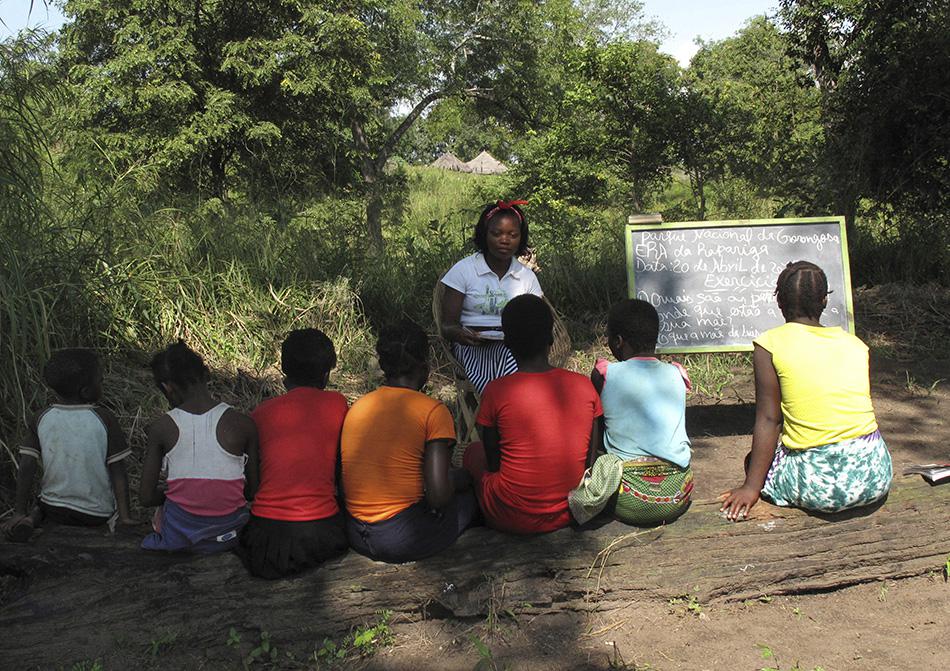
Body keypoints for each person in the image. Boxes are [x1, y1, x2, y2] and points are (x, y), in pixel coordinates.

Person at [721, 261, 892, 519]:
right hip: (875, 474)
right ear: (824, 301)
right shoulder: (856, 345)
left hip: (820, 487)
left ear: (780, 302)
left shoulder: (770, 345)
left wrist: (750, 487)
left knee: (752, 461)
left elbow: (770, 419)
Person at [464, 295, 603, 534]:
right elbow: (589, 461)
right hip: (571, 511)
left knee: (472, 453)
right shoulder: (583, 386)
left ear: (506, 343)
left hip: (510, 516)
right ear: (551, 338)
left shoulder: (496, 391)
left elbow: (494, 462)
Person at [340, 320, 477, 563]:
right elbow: (439, 495)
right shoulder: (432, 410)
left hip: (355, 532)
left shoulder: (359, 407)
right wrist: (463, 478)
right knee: (474, 499)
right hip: (400, 537)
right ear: (425, 367)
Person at [237, 329, 349, 578]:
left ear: (285, 371)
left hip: (265, 539)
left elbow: (251, 485)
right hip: (322, 533)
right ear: (325, 374)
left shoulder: (261, 413)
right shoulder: (337, 404)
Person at [2, 349, 134, 542]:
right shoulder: (105, 419)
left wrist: (18, 511)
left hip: (53, 509)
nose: (103, 383)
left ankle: (29, 519)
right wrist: (125, 517)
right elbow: (118, 471)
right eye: (100, 380)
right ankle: (33, 518)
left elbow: (27, 465)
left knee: (42, 503)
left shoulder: (41, 417)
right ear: (86, 391)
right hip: (95, 514)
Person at [140, 340, 259, 553]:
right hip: (230, 533)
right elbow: (253, 491)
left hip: (181, 537)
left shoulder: (161, 427)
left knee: (165, 515)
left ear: (167, 388)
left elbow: (146, 497)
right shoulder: (243, 424)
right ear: (206, 376)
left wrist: (178, 494)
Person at [587, 299, 694, 526]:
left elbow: (595, 428)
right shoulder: (677, 373)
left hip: (627, 497)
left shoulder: (604, 374)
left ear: (618, 342)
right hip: (677, 494)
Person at [439, 200, 542, 393]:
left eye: (513, 235)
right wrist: (460, 335)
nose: (505, 240)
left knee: (513, 364)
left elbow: (538, 320)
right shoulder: (464, 270)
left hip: (514, 345)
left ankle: (500, 411)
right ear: (484, 235)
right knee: (509, 379)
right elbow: (447, 326)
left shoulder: (525, 276)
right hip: (471, 346)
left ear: (521, 238)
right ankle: (501, 410)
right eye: (497, 234)